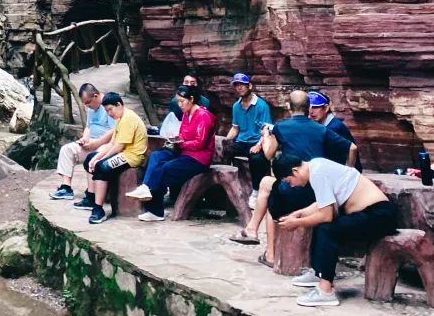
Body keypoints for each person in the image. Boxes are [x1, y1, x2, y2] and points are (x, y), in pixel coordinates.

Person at [229, 90, 357, 259]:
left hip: (296, 188)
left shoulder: (282, 126)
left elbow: (267, 154)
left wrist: (266, 135)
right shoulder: (320, 129)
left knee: (268, 189)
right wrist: (348, 171)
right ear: (307, 108)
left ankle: (266, 249)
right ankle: (254, 232)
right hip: (318, 190)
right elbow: (352, 148)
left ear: (289, 107)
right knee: (271, 186)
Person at [273, 154, 397, 307]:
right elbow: (325, 203)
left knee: (328, 229)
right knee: (321, 226)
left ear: (295, 171)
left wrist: (298, 222)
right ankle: (318, 272)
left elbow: (326, 215)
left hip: (379, 215)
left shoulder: (317, 173)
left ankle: (325, 291)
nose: (292, 185)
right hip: (373, 213)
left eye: (289, 181)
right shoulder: (316, 166)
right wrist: (301, 213)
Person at [127, 85, 216, 222]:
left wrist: (180, 143)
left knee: (164, 169)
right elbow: (183, 134)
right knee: (155, 156)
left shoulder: (203, 116)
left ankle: (155, 209)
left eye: (182, 101)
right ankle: (145, 188)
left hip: (198, 158)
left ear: (191, 99)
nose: (179, 105)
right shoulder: (186, 113)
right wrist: (175, 140)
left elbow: (200, 143)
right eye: (178, 101)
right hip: (184, 151)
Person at [85, 92, 148, 225]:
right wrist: (95, 157)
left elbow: (119, 146)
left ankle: (98, 209)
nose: (109, 113)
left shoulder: (128, 119)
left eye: (110, 109)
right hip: (123, 153)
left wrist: (100, 161)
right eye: (107, 110)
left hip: (132, 156)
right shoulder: (120, 119)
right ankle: (95, 197)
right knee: (89, 159)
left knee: (101, 167)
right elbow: (112, 144)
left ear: (119, 105)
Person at [50, 83, 116, 203]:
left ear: (95, 96)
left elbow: (114, 131)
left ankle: (92, 195)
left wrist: (96, 143)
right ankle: (66, 187)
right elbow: (88, 127)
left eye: (87, 102)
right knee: (67, 149)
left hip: (105, 144)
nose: (87, 106)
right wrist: (85, 139)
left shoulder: (108, 106)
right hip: (92, 142)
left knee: (93, 157)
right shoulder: (92, 108)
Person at [225, 73, 273, 207]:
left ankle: (256, 191)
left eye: (242, 85)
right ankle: (227, 188)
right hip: (242, 142)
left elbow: (267, 129)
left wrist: (259, 145)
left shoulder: (261, 106)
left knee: (257, 159)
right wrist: (225, 141)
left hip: (258, 141)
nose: (239, 88)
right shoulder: (236, 106)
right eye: (237, 85)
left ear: (249, 86)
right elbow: (235, 128)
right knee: (223, 151)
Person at [308, 91, 363, 172]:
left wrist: (347, 174)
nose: (311, 111)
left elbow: (349, 152)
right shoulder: (322, 125)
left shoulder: (334, 128)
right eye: (309, 107)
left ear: (326, 108)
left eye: (316, 107)